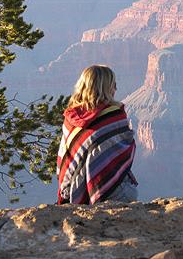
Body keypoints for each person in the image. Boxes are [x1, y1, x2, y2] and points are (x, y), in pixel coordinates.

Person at [56, 65, 138, 204]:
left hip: (70, 193)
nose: (115, 89)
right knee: (131, 191)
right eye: (113, 84)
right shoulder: (114, 114)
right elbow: (125, 149)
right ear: (105, 87)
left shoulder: (70, 117)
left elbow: (66, 157)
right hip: (111, 193)